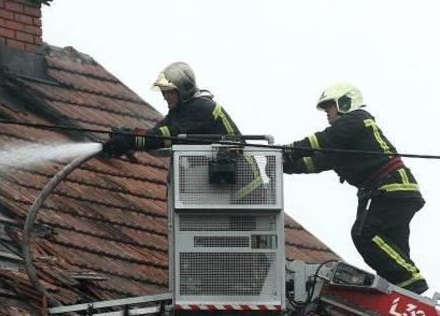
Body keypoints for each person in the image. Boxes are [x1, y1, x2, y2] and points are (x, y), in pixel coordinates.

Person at [283, 82, 427, 294]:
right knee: (392, 246)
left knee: (364, 234)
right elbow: (313, 163)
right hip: (394, 190)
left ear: (344, 103)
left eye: (329, 107)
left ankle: (411, 280)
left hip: (390, 187)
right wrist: (279, 163)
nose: (327, 113)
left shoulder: (358, 119)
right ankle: (402, 289)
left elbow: (322, 140)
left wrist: (288, 150)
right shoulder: (345, 141)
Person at [102, 61, 263, 200]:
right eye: (163, 92)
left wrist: (130, 139)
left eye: (169, 91)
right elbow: (156, 133)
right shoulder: (179, 112)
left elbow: (166, 136)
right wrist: (127, 138)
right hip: (228, 185)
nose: (165, 96)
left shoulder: (200, 108)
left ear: (183, 88)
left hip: (246, 188)